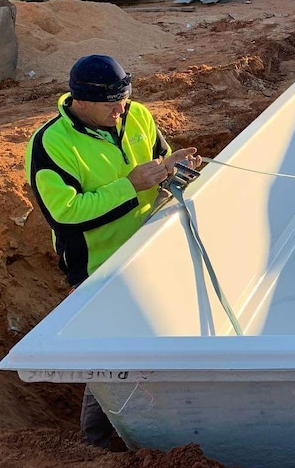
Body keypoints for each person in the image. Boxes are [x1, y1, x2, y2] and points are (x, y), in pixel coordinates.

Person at [24, 54, 201, 448]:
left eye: (125, 98)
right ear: (80, 101)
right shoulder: (50, 144)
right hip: (98, 271)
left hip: (150, 250)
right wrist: (130, 185)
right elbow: (65, 215)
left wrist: (173, 168)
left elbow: (158, 158)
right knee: (109, 361)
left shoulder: (136, 114)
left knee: (152, 339)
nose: (122, 110)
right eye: (112, 104)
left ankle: (163, 420)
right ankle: (99, 445)